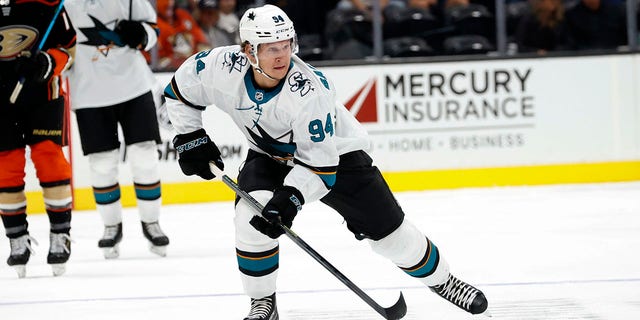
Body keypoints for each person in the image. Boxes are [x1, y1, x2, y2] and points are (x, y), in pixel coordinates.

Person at [165, 4, 488, 319]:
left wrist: (290, 199)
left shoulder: (310, 91)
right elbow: (180, 90)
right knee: (250, 218)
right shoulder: (220, 66)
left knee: (394, 238)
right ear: (249, 50)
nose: (282, 56)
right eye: (270, 48)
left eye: (286, 45)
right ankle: (262, 302)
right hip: (269, 156)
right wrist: (190, 136)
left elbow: (320, 167)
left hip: (337, 158)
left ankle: (443, 281)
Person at [65, 0, 170, 259]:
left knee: (145, 157)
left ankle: (151, 222)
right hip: (89, 94)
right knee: (102, 164)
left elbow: (152, 31)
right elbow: (56, 44)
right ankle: (111, 227)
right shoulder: (63, 3)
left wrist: (141, 35)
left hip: (135, 87)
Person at [0, 0, 76, 278]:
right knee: (5, 168)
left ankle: (60, 234)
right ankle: (16, 239)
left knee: (49, 158)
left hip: (44, 95)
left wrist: (47, 62)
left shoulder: (48, 2)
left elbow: (70, 49)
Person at [156, 0, 211, 71]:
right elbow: (157, 60)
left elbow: (202, 43)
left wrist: (206, 58)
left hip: (193, 65)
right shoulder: (155, 24)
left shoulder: (183, 15)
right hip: (168, 70)